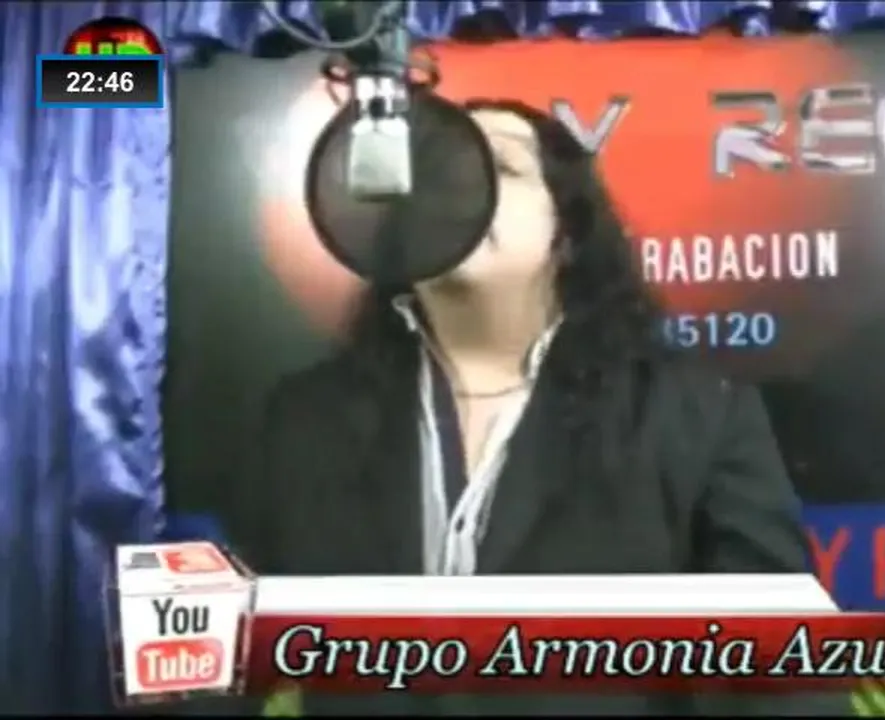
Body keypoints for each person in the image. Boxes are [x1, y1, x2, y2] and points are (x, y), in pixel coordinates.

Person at [231, 99, 847, 716]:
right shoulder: (305, 421)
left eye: (499, 167)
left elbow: (785, 682)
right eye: (438, 172)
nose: (461, 190)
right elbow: (214, 659)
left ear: (567, 234)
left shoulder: (694, 417)